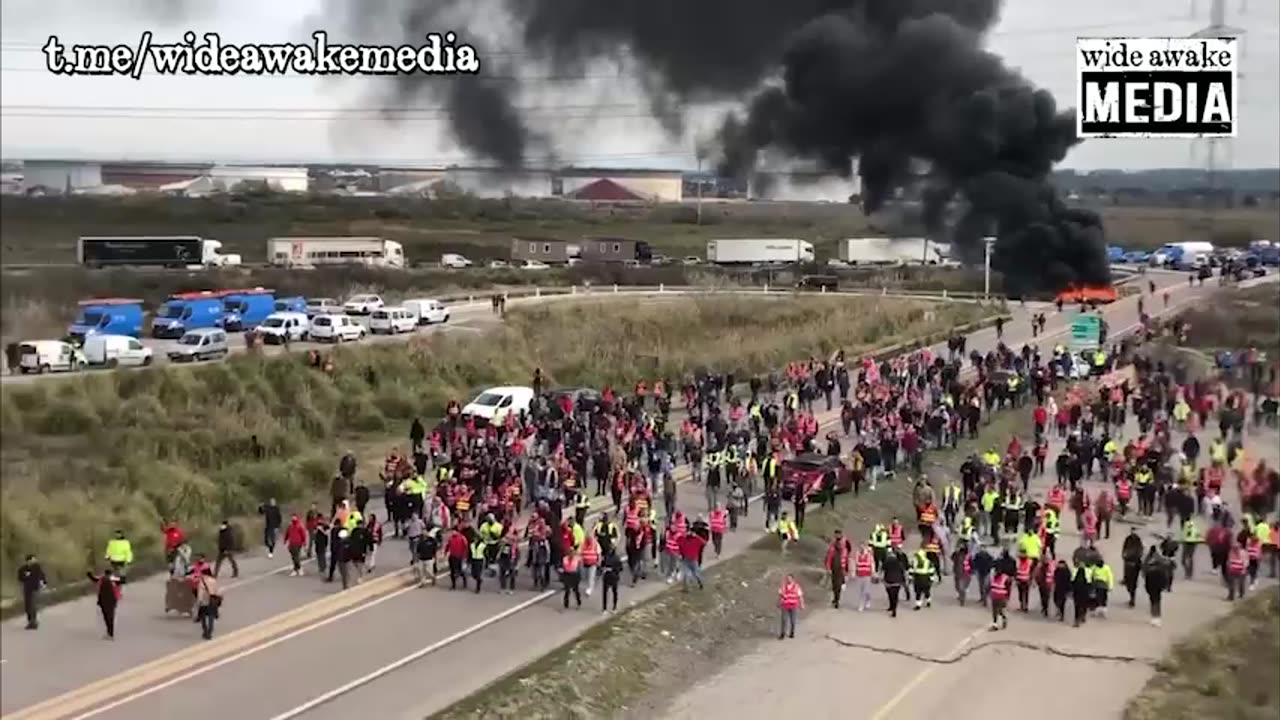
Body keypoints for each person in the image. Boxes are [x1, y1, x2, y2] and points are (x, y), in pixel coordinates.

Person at [86, 567, 125, 640]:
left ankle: (109, 633)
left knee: (106, 616)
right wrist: (120, 574)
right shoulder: (113, 579)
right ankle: (110, 633)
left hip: (103, 600)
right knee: (110, 615)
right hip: (113, 599)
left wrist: (89, 574)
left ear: (105, 573)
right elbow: (123, 580)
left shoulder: (102, 579)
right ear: (111, 573)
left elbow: (93, 579)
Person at [1142, 546, 1171, 627]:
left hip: (1151, 583)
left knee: (1153, 600)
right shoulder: (1160, 561)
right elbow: (1165, 572)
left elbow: (1144, 572)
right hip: (1156, 583)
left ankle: (1154, 617)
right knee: (1157, 601)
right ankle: (1156, 618)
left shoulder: (1147, 561)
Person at [18, 555, 47, 630]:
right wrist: (26, 576)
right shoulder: (22, 569)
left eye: (35, 560)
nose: (34, 561)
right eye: (32, 560)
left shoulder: (37, 567)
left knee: (33, 605)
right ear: (28, 561)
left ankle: (34, 622)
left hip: (35, 588)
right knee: (27, 606)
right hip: (27, 589)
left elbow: (42, 575)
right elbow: (20, 578)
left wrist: (44, 583)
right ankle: (30, 621)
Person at [194, 568, 221, 640]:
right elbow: (218, 592)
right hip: (212, 602)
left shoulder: (201, 582)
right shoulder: (213, 581)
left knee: (203, 618)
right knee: (211, 618)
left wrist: (198, 602)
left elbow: (200, 594)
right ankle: (209, 632)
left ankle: (205, 631)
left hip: (204, 602)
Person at [825, 531, 850, 608]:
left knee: (838, 585)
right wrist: (828, 568)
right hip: (834, 569)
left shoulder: (845, 550)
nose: (840, 545)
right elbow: (828, 559)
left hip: (841, 570)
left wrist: (846, 570)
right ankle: (835, 598)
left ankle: (837, 600)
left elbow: (846, 560)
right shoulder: (832, 549)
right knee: (834, 585)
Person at [882, 546, 907, 618]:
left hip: (889, 580)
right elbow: (903, 572)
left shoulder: (886, 562)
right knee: (895, 595)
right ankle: (894, 609)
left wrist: (882, 580)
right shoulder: (899, 562)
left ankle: (891, 606)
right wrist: (903, 580)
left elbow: (883, 571)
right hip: (898, 581)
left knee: (890, 594)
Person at [778, 574, 804, 639]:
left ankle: (792, 632)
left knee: (793, 620)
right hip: (785, 605)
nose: (788, 580)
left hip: (794, 606)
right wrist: (778, 603)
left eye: (789, 578)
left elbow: (800, 596)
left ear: (792, 579)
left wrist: (802, 604)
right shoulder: (783, 586)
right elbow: (781, 595)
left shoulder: (796, 586)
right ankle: (782, 634)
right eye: (787, 578)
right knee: (784, 620)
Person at [601, 547, 623, 614]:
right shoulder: (616, 558)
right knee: (612, 592)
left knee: (611, 592)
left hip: (610, 576)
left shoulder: (609, 557)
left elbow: (602, 565)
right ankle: (610, 608)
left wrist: (609, 569)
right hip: (612, 576)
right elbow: (620, 568)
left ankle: (611, 607)